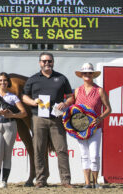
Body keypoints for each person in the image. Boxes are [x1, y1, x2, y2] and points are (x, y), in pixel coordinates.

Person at [22, 52, 74, 188]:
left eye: (49, 61)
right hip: (38, 118)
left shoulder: (61, 78)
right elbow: (24, 96)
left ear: (53, 62)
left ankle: (66, 180)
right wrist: (32, 102)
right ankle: (41, 180)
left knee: (61, 149)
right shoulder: (33, 79)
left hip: (56, 118)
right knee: (39, 149)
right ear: (40, 63)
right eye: (44, 61)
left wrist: (66, 103)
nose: (47, 63)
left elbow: (70, 96)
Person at [0, 72, 27, 188]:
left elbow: (23, 113)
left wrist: (12, 115)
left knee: (7, 154)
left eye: (5, 80)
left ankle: (4, 180)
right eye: (1, 80)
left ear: (8, 82)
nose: (3, 82)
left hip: (9, 125)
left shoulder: (12, 97)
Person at [73, 63, 112, 189]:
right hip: (81, 128)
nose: (87, 75)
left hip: (96, 128)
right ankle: (87, 183)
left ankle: (95, 182)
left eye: (89, 73)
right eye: (85, 73)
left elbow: (108, 109)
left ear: (93, 75)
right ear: (82, 75)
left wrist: (100, 118)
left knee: (94, 155)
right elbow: (73, 108)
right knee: (84, 155)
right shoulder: (77, 91)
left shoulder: (99, 90)